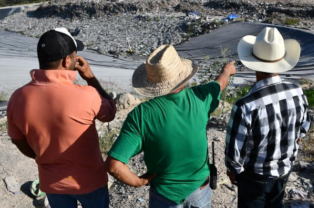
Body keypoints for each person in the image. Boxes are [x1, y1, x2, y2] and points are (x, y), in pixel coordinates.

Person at [105, 44, 236, 208]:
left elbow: (114, 165)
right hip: (200, 190)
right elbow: (219, 84)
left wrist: (138, 181)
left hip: (165, 196)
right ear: (182, 74)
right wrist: (227, 71)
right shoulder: (201, 97)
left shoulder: (142, 115)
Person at [7, 28, 116, 208]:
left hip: (52, 183)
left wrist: (43, 156)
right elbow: (109, 113)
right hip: (90, 182)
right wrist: (90, 78)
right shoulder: (87, 95)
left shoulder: (18, 97)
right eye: (75, 55)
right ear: (67, 60)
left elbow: (19, 141)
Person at [225, 27, 311, 208]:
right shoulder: (296, 90)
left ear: (253, 62)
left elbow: (235, 151)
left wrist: (234, 172)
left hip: (255, 176)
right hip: (284, 170)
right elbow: (305, 123)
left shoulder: (246, 105)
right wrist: (297, 139)